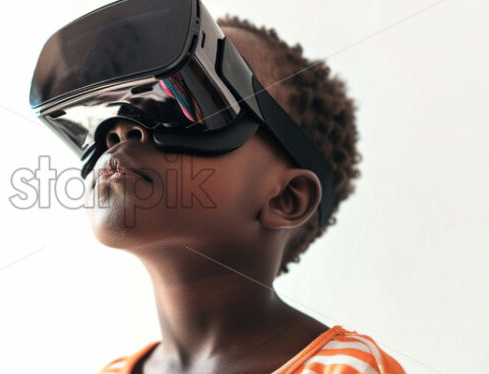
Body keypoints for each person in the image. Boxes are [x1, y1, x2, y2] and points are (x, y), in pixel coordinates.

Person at [90, 15, 406, 374]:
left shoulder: (348, 369)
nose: (121, 129)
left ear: (285, 198)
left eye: (183, 104)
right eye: (117, 111)